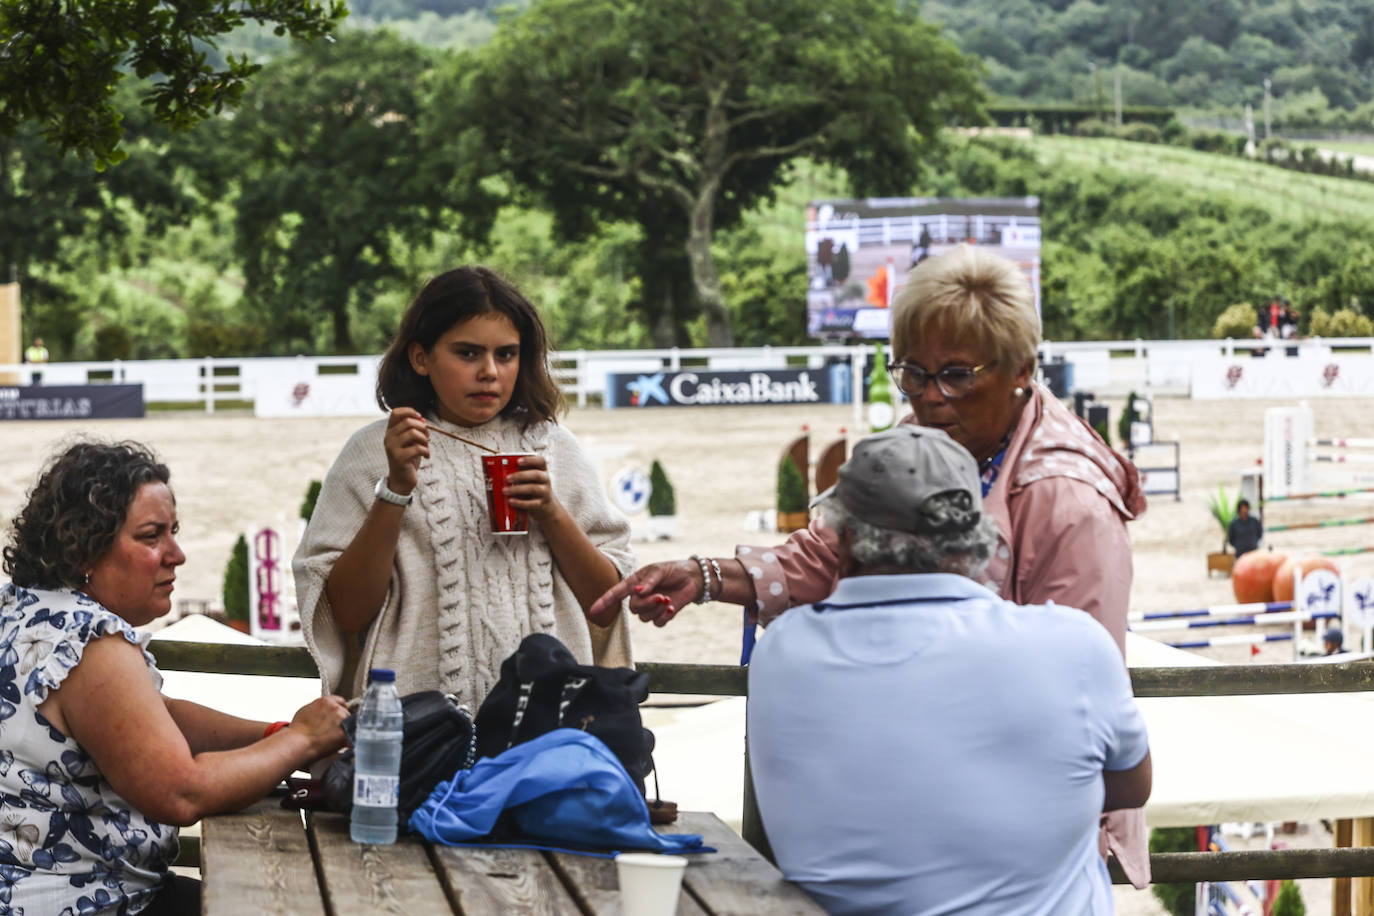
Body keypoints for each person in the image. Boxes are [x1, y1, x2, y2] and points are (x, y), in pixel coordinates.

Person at [589, 243, 1152, 885]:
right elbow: (829, 551)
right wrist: (707, 574)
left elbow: (1085, 697)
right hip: (938, 788)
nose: (930, 398)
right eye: (913, 373)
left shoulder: (1069, 500)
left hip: (1035, 823)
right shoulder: (932, 442)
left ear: (1022, 368)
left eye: (957, 376)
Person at [748, 426, 1151, 915]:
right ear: (974, 538)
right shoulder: (1075, 644)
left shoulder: (782, 651)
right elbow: (1130, 786)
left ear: (847, 539)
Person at [0, 441, 348, 914]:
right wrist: (303, 743)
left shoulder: (25, 607)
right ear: (86, 547)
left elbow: (153, 720)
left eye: (174, 532)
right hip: (89, 902)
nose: (177, 554)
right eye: (151, 537)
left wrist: (277, 737)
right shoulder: (90, 641)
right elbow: (182, 792)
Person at [294, 266, 634, 706]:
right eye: (468, 353)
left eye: (507, 354)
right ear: (420, 358)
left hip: (549, 730)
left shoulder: (555, 448)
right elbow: (348, 613)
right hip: (419, 733)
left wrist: (551, 512)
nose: (490, 372)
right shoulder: (373, 451)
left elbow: (606, 603)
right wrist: (395, 488)